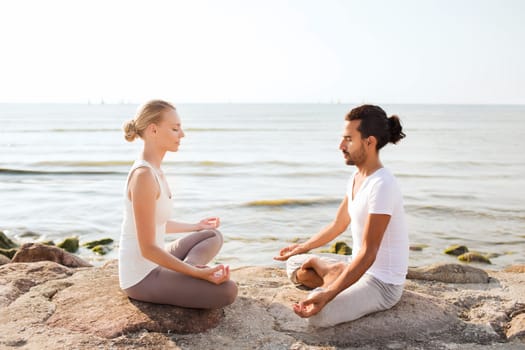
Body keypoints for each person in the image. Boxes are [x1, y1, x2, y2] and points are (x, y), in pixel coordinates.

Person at [274, 104, 408, 327]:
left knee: (318, 315)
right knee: (294, 264)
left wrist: (327, 293)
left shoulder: (383, 185)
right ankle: (335, 271)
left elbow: (369, 253)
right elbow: (339, 224)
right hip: (356, 265)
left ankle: (333, 274)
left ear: (369, 142)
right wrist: (302, 247)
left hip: (382, 283)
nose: (341, 146)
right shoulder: (356, 177)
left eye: (348, 139)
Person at [118, 99, 237, 309]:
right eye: (175, 128)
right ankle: (189, 272)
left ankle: (185, 272)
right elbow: (147, 249)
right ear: (153, 130)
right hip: (141, 276)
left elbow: (158, 223)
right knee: (228, 291)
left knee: (211, 235)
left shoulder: (155, 170)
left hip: (155, 262)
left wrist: (197, 226)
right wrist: (198, 273)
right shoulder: (144, 176)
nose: (182, 135)